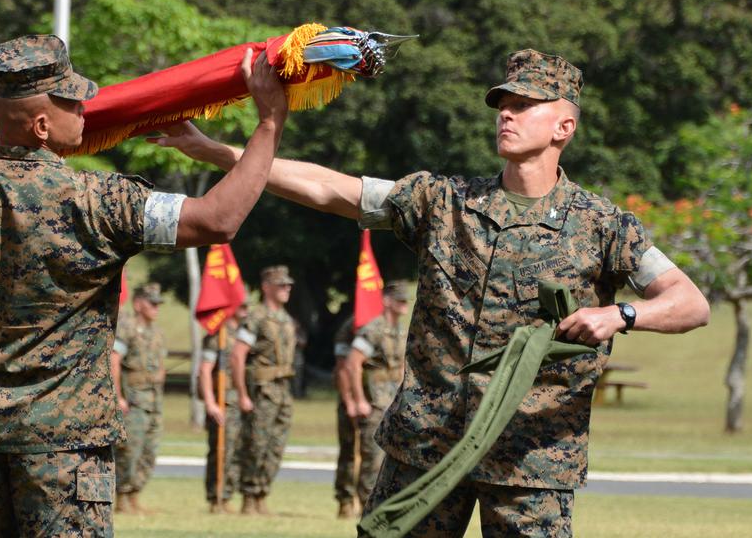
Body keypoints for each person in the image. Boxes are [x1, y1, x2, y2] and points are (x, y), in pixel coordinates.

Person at [152, 48, 711, 536]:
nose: (507, 115)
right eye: (502, 104)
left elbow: (689, 302)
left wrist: (621, 314)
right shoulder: (443, 202)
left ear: (564, 127)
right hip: (427, 445)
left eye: (524, 104)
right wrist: (223, 154)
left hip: (531, 459)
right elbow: (332, 189)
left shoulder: (602, 225)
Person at [0, 33, 288, 536]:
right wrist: (269, 122)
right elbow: (218, 220)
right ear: (42, 125)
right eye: (71, 100)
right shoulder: (98, 201)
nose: (85, 107)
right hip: (62, 452)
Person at [232, 265, 296, 515]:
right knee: (256, 444)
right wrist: (242, 394)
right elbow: (237, 357)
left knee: (276, 446)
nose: (286, 288)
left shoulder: (286, 319)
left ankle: (262, 494)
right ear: (266, 287)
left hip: (283, 390)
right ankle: (249, 496)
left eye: (288, 285)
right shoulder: (256, 317)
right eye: (281, 285)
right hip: (262, 391)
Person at [346, 281, 409, 509]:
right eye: (399, 299)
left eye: (405, 300)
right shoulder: (372, 329)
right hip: (374, 403)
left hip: (395, 403)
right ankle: (366, 506)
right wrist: (358, 400)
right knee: (372, 458)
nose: (404, 304)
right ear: (387, 301)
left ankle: (384, 506)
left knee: (391, 460)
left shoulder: (402, 331)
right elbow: (353, 364)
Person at [111, 282, 166, 514]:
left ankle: (135, 494)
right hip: (132, 400)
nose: (156, 307)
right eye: (151, 303)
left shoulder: (157, 333)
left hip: (153, 401)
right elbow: (114, 361)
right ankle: (122, 496)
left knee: (149, 450)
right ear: (138, 303)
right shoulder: (127, 328)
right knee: (129, 450)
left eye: (157, 303)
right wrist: (118, 397)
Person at [199, 300, 249, 513]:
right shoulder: (218, 336)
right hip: (223, 403)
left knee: (237, 451)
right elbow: (205, 370)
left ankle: (228, 495)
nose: (246, 311)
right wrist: (210, 403)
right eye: (242, 306)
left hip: (239, 402)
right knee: (221, 451)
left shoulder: (243, 334)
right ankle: (216, 497)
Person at [332, 314, 358, 518]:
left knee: (374, 457)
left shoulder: (389, 326)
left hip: (379, 401)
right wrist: (349, 400)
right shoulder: (351, 326)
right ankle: (346, 501)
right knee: (349, 452)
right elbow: (343, 366)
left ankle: (367, 501)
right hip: (353, 402)